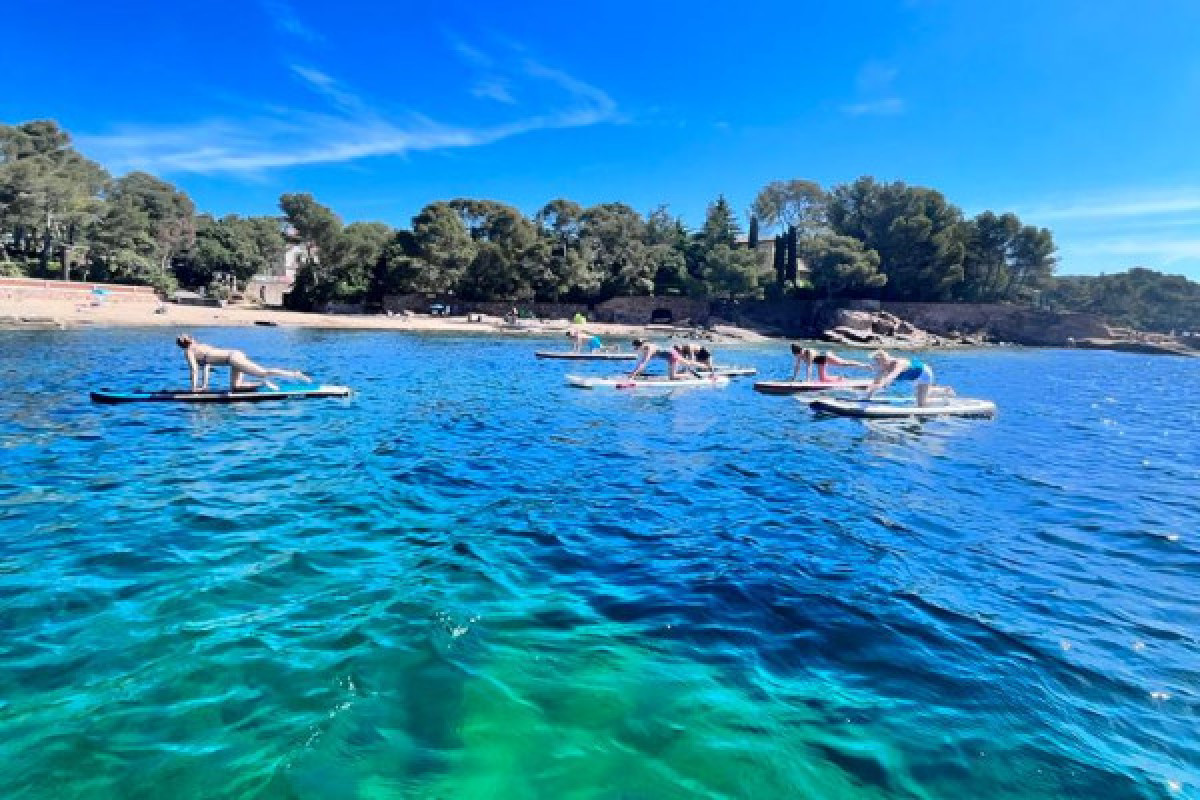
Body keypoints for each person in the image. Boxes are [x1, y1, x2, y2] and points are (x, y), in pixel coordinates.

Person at [176, 334, 310, 391]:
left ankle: (294, 374)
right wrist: (204, 386)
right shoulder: (202, 347)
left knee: (263, 372)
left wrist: (193, 388)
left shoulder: (189, 352)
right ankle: (263, 384)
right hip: (234, 356)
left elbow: (194, 370)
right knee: (236, 387)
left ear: (182, 346)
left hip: (232, 358)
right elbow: (206, 366)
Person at [866, 349, 954, 406]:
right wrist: (867, 398)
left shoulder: (899, 364)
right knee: (919, 393)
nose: (876, 365)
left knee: (921, 404)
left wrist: (881, 385)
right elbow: (876, 382)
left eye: (877, 362)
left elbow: (891, 377)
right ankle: (944, 390)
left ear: (884, 361)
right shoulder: (883, 367)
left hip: (924, 374)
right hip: (914, 377)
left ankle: (945, 402)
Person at [629, 339, 701, 380]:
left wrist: (633, 375)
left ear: (639, 346)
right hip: (670, 354)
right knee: (688, 363)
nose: (635, 349)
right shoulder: (644, 348)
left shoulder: (649, 349)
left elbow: (644, 363)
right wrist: (634, 373)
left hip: (672, 355)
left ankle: (689, 375)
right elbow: (640, 362)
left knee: (672, 377)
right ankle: (701, 368)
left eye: (636, 348)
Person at [790, 345, 871, 382]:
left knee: (843, 363)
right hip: (820, 361)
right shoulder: (799, 355)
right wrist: (793, 379)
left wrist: (808, 381)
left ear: (800, 351)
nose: (797, 356)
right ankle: (840, 378)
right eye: (796, 355)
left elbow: (809, 367)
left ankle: (864, 365)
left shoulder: (809, 352)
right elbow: (797, 367)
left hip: (826, 356)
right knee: (823, 379)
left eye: (797, 354)